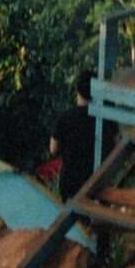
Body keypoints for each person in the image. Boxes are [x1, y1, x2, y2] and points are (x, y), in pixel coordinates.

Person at [48, 67, 97, 199]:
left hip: (70, 181)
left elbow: (53, 149)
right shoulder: (105, 119)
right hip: (97, 180)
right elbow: (114, 145)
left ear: (76, 89)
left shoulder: (65, 117)